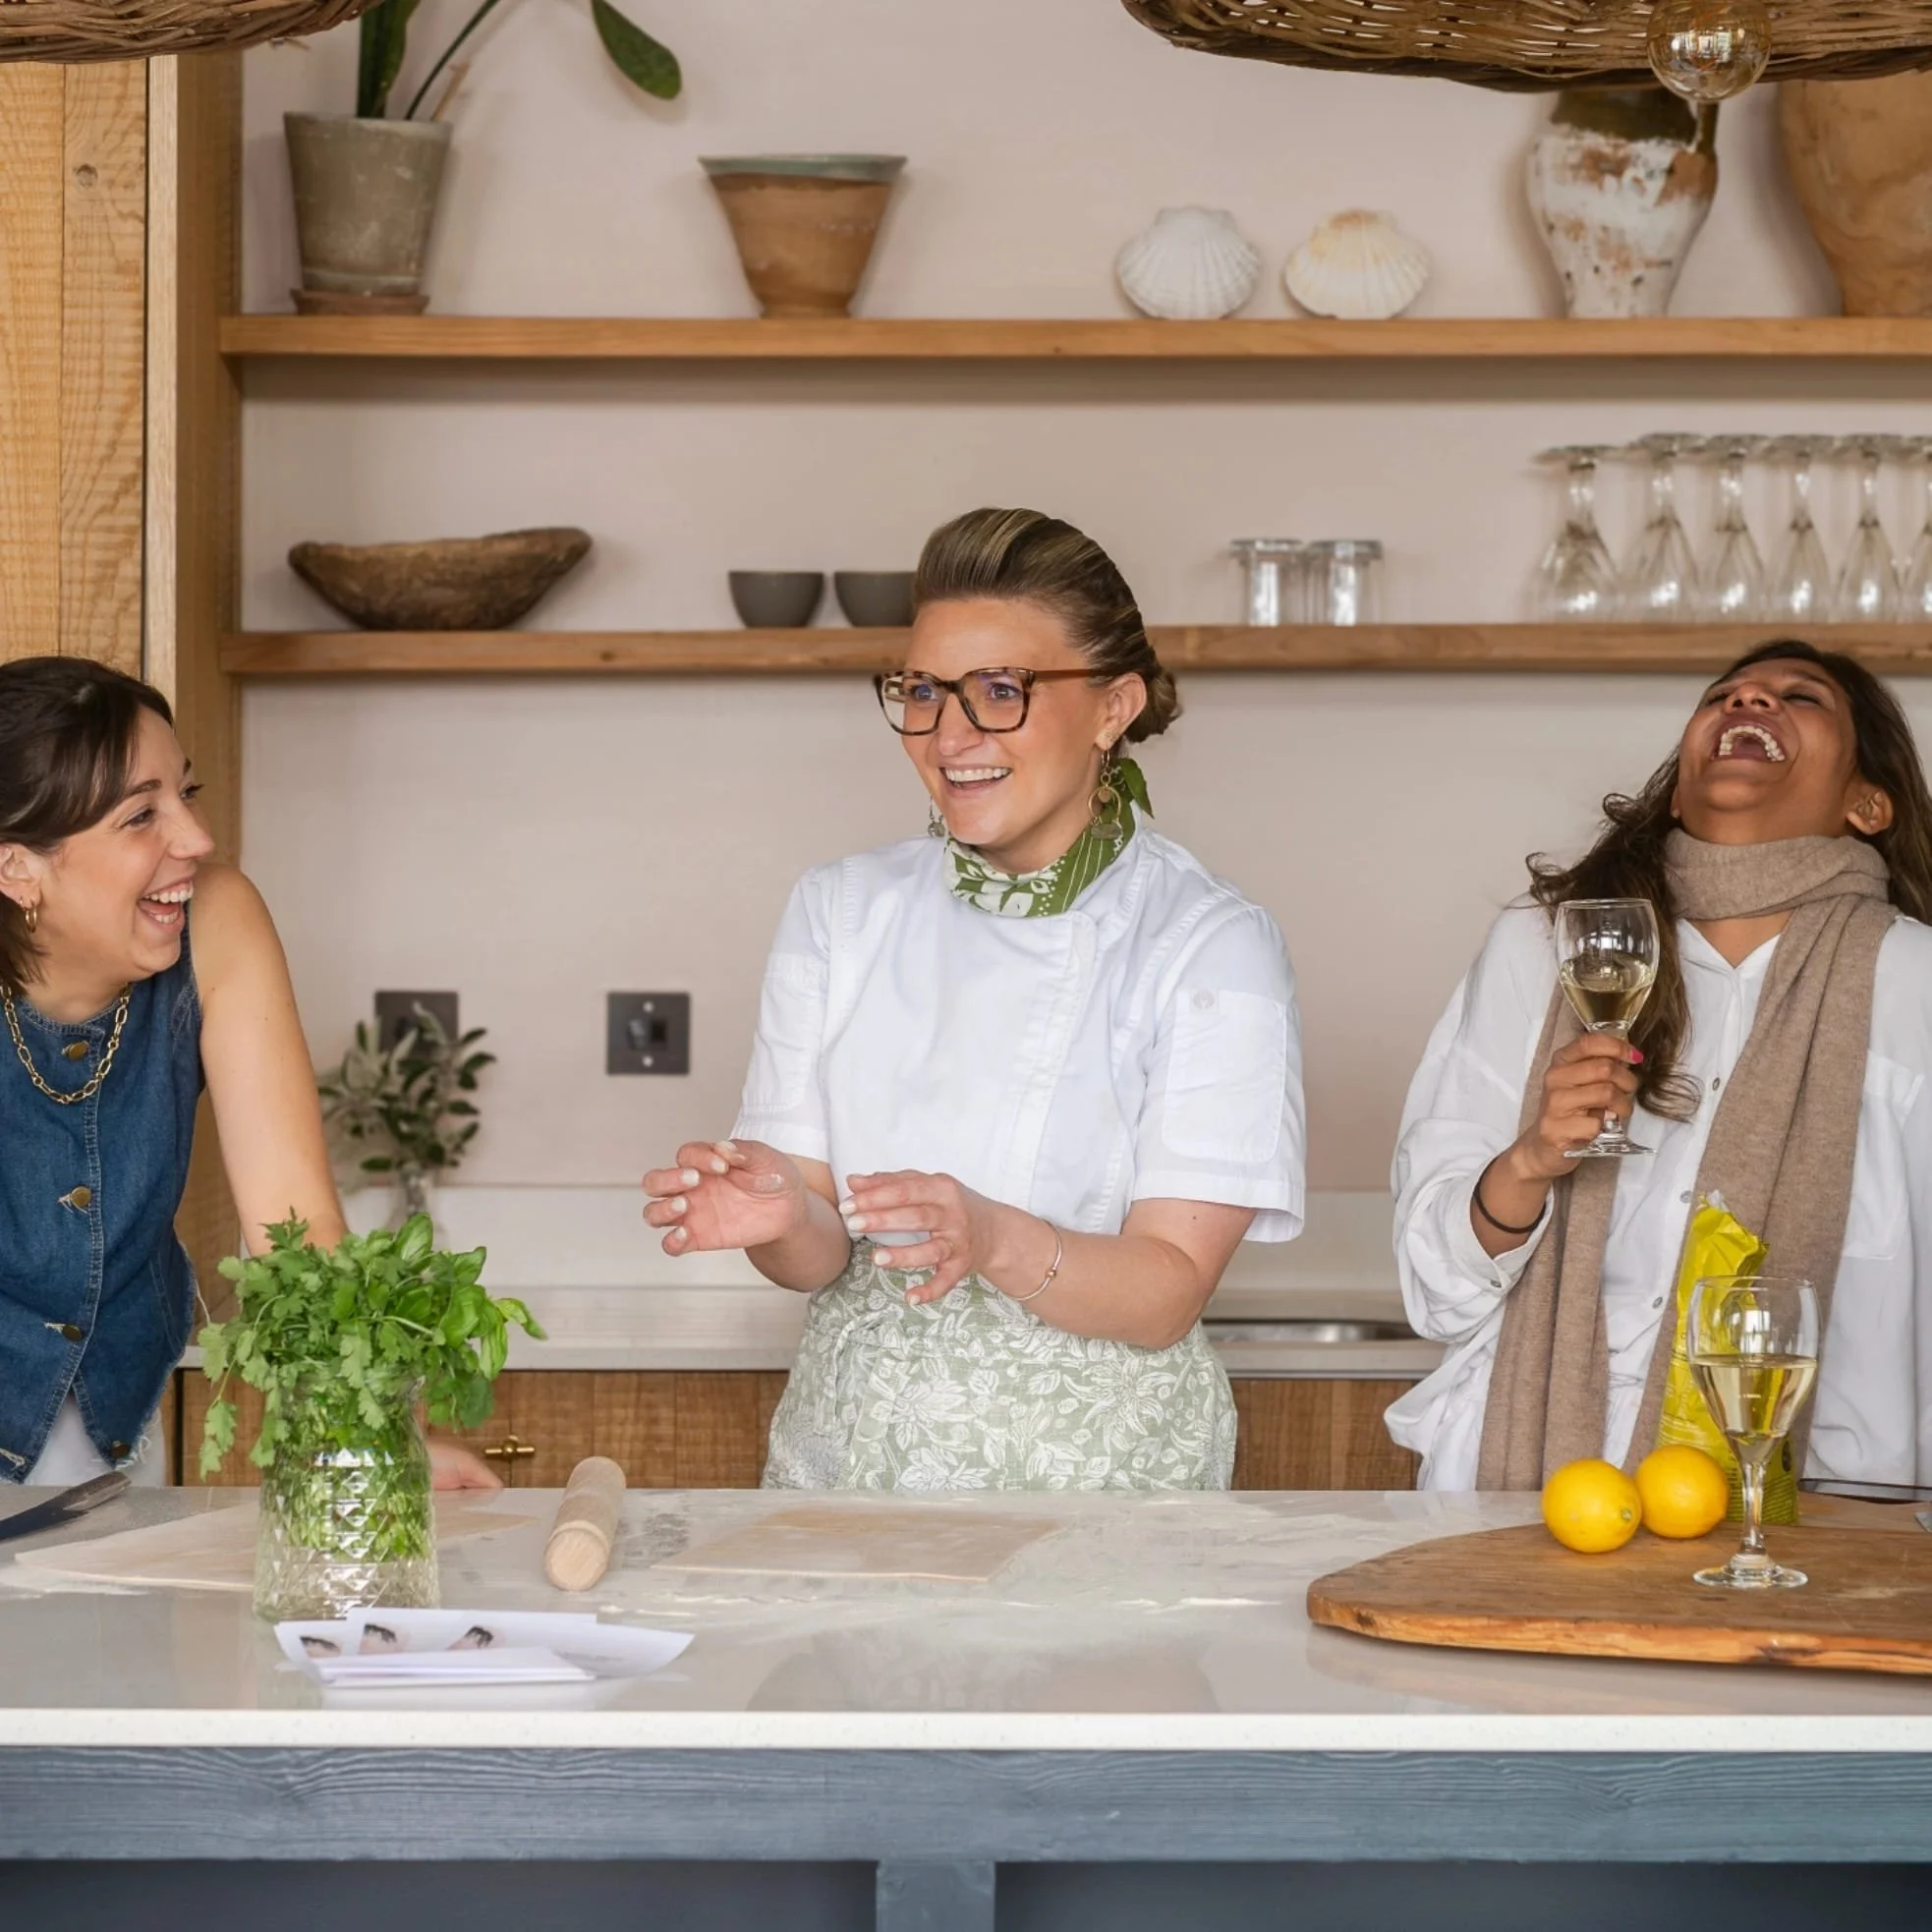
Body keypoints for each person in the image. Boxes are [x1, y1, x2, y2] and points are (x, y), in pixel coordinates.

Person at [643, 507, 1305, 1490]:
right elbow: (820, 1256)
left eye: (1000, 690)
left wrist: (992, 1235)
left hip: (1098, 1489)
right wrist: (778, 1215)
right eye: (921, 690)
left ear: (1114, 706)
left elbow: (1167, 1288)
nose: (949, 735)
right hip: (849, 1472)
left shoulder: (1207, 942)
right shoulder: (840, 909)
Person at [1390, 641, 1932, 1491]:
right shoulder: (1546, 947)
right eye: (1727, 695)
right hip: (1527, 1480)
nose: (1749, 703)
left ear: (1869, 804)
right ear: (1681, 787)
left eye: (1801, 697)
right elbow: (1434, 1290)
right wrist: (1530, 1163)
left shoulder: (1914, 981)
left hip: (1817, 1497)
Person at [0, 656, 497, 1490]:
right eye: (139, 817)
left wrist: (370, 1446)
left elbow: (295, 1233)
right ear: (17, 869)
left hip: (117, 1426)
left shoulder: (218, 919)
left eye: (184, 795)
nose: (196, 840)